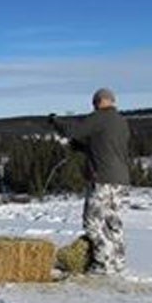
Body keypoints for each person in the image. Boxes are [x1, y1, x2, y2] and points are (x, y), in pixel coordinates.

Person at [49, 87, 131, 274]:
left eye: (94, 103)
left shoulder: (100, 117)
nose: (93, 107)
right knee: (113, 222)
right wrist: (76, 146)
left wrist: (55, 121)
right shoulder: (121, 121)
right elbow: (100, 147)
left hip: (102, 178)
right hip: (121, 180)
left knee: (92, 222)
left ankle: (102, 262)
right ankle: (118, 262)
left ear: (100, 101)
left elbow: (72, 130)